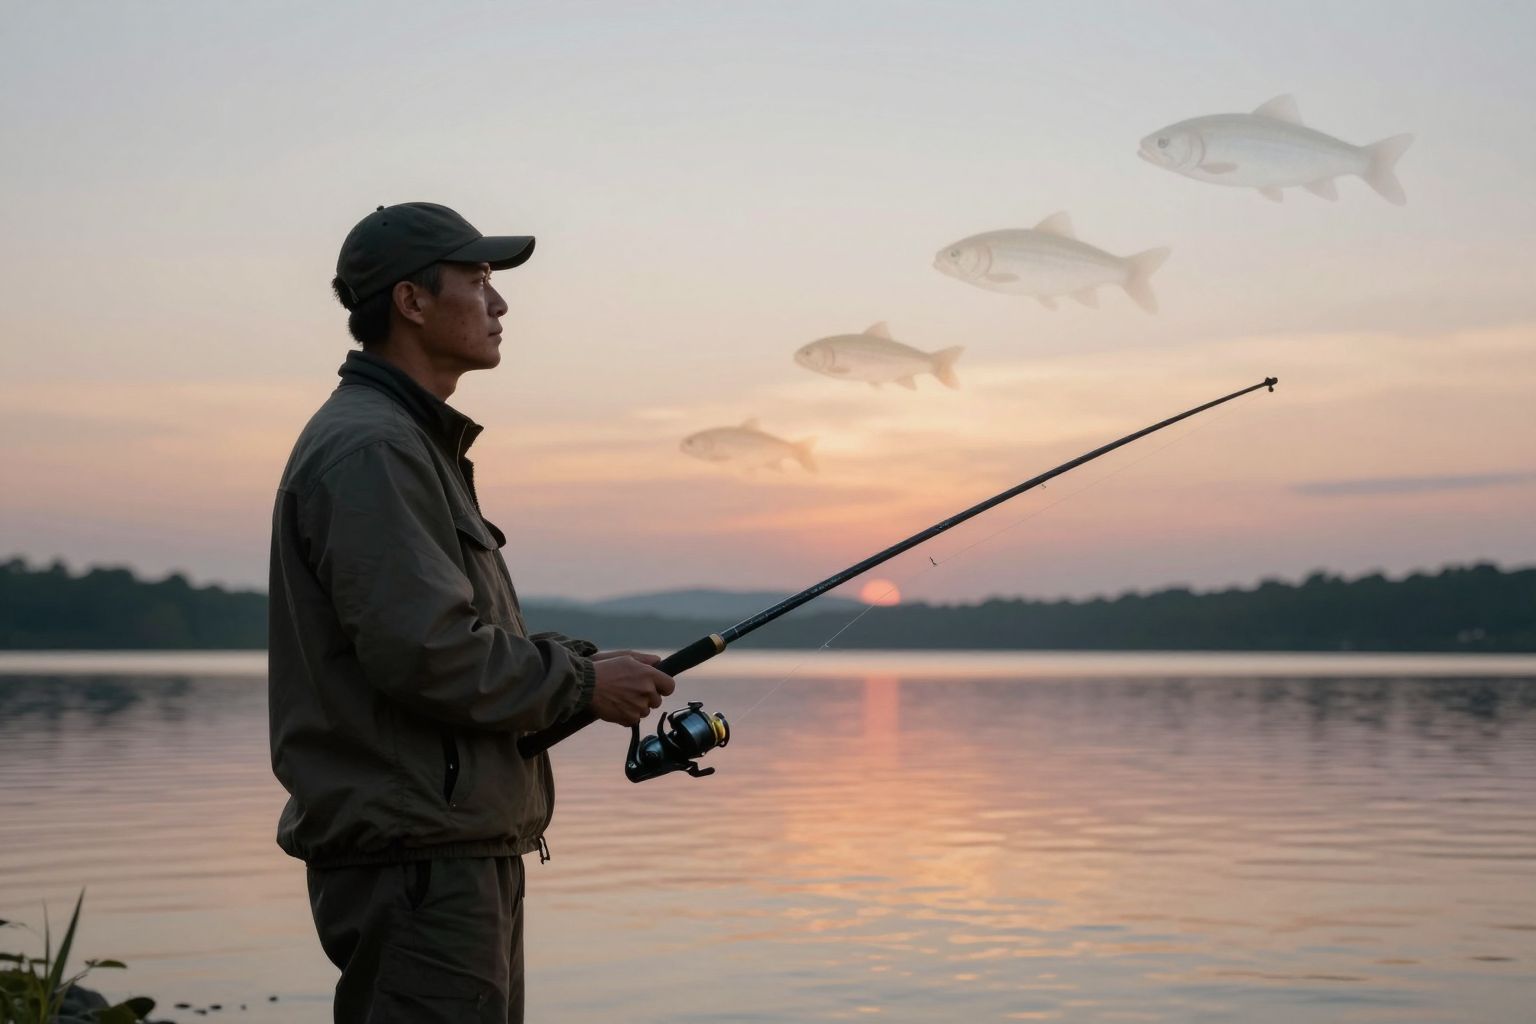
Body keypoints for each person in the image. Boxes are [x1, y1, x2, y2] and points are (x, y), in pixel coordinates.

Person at [267, 201, 676, 1022]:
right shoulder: (374, 448)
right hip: (419, 859)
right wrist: (581, 687)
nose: (499, 304)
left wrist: (580, 667)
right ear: (412, 302)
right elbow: (428, 653)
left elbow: (441, 636)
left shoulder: (406, 442)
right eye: (480, 280)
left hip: (444, 848)